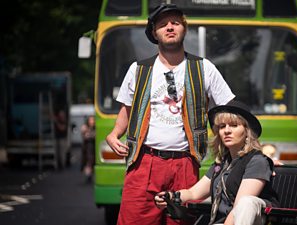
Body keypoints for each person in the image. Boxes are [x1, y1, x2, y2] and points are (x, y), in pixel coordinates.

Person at [106, 3, 235, 225]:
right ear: (154, 33)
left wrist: (253, 153)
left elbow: (231, 112)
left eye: (175, 23)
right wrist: (113, 134)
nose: (169, 27)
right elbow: (127, 109)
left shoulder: (204, 68)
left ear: (184, 29)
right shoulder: (139, 69)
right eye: (163, 24)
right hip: (143, 164)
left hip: (184, 165)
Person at [155, 101, 279, 225]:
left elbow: (239, 208)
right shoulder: (222, 163)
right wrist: (170, 197)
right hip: (222, 221)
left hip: (252, 220)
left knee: (246, 202)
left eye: (234, 125)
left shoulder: (257, 161)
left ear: (247, 130)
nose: (227, 131)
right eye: (222, 126)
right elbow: (193, 193)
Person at [81, 115, 96, 181]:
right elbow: (85, 136)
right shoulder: (85, 127)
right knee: (88, 161)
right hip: (87, 148)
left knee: (92, 161)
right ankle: (88, 175)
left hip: (93, 147)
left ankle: (91, 175)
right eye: (90, 120)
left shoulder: (95, 128)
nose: (92, 122)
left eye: (93, 120)